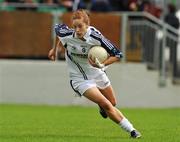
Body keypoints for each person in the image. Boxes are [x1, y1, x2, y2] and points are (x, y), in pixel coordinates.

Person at [48, 9, 141, 138]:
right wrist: (54, 49)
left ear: (87, 24)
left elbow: (118, 54)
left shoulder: (96, 37)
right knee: (106, 104)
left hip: (97, 72)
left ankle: (102, 108)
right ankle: (132, 130)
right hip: (79, 79)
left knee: (112, 103)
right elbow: (58, 31)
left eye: (80, 26)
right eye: (75, 27)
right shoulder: (67, 35)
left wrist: (102, 64)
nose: (77, 30)